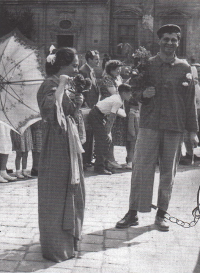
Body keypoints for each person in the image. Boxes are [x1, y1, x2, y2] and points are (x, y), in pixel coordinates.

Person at [116, 24, 199, 231]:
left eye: (174, 39)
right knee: (141, 169)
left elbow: (190, 102)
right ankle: (133, 212)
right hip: (150, 125)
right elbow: (131, 92)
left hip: (175, 126)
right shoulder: (147, 65)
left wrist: (193, 131)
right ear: (159, 41)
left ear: (178, 42)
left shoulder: (185, 68)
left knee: (168, 173)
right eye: (166, 39)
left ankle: (161, 214)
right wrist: (143, 95)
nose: (170, 43)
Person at [37, 47, 85, 262]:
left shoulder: (66, 83)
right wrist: (63, 86)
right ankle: (56, 247)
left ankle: (70, 242)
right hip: (56, 144)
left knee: (75, 189)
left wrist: (77, 103)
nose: (76, 69)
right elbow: (50, 112)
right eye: (74, 65)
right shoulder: (49, 84)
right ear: (62, 65)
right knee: (56, 193)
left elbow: (69, 112)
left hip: (70, 142)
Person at [88, 83, 132, 175]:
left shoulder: (118, 98)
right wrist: (108, 130)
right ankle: (99, 167)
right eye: (129, 93)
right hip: (97, 115)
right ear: (124, 93)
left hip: (100, 115)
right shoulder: (118, 101)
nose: (130, 96)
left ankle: (104, 164)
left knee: (106, 141)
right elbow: (112, 116)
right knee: (104, 141)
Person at [99, 60, 125, 170]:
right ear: (111, 69)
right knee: (108, 135)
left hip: (117, 109)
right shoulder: (107, 79)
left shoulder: (118, 78)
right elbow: (114, 93)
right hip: (108, 110)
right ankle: (107, 160)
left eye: (120, 68)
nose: (119, 70)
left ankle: (111, 159)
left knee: (113, 136)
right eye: (116, 68)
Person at [79, 50, 100, 168]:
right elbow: (82, 89)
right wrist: (86, 103)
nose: (98, 61)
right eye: (96, 59)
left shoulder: (91, 71)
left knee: (90, 132)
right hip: (86, 107)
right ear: (89, 59)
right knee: (86, 132)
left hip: (92, 106)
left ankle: (88, 159)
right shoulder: (83, 71)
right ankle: (84, 159)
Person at [179, 57, 200, 165]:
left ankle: (189, 154)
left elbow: (195, 100)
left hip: (192, 111)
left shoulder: (195, 86)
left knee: (188, 134)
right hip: (181, 111)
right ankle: (182, 154)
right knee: (182, 135)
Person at [124, 99, 140, 169]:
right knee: (131, 149)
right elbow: (131, 125)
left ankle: (133, 161)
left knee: (135, 148)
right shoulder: (131, 113)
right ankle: (130, 162)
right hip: (133, 135)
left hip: (137, 134)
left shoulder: (136, 112)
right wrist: (133, 134)